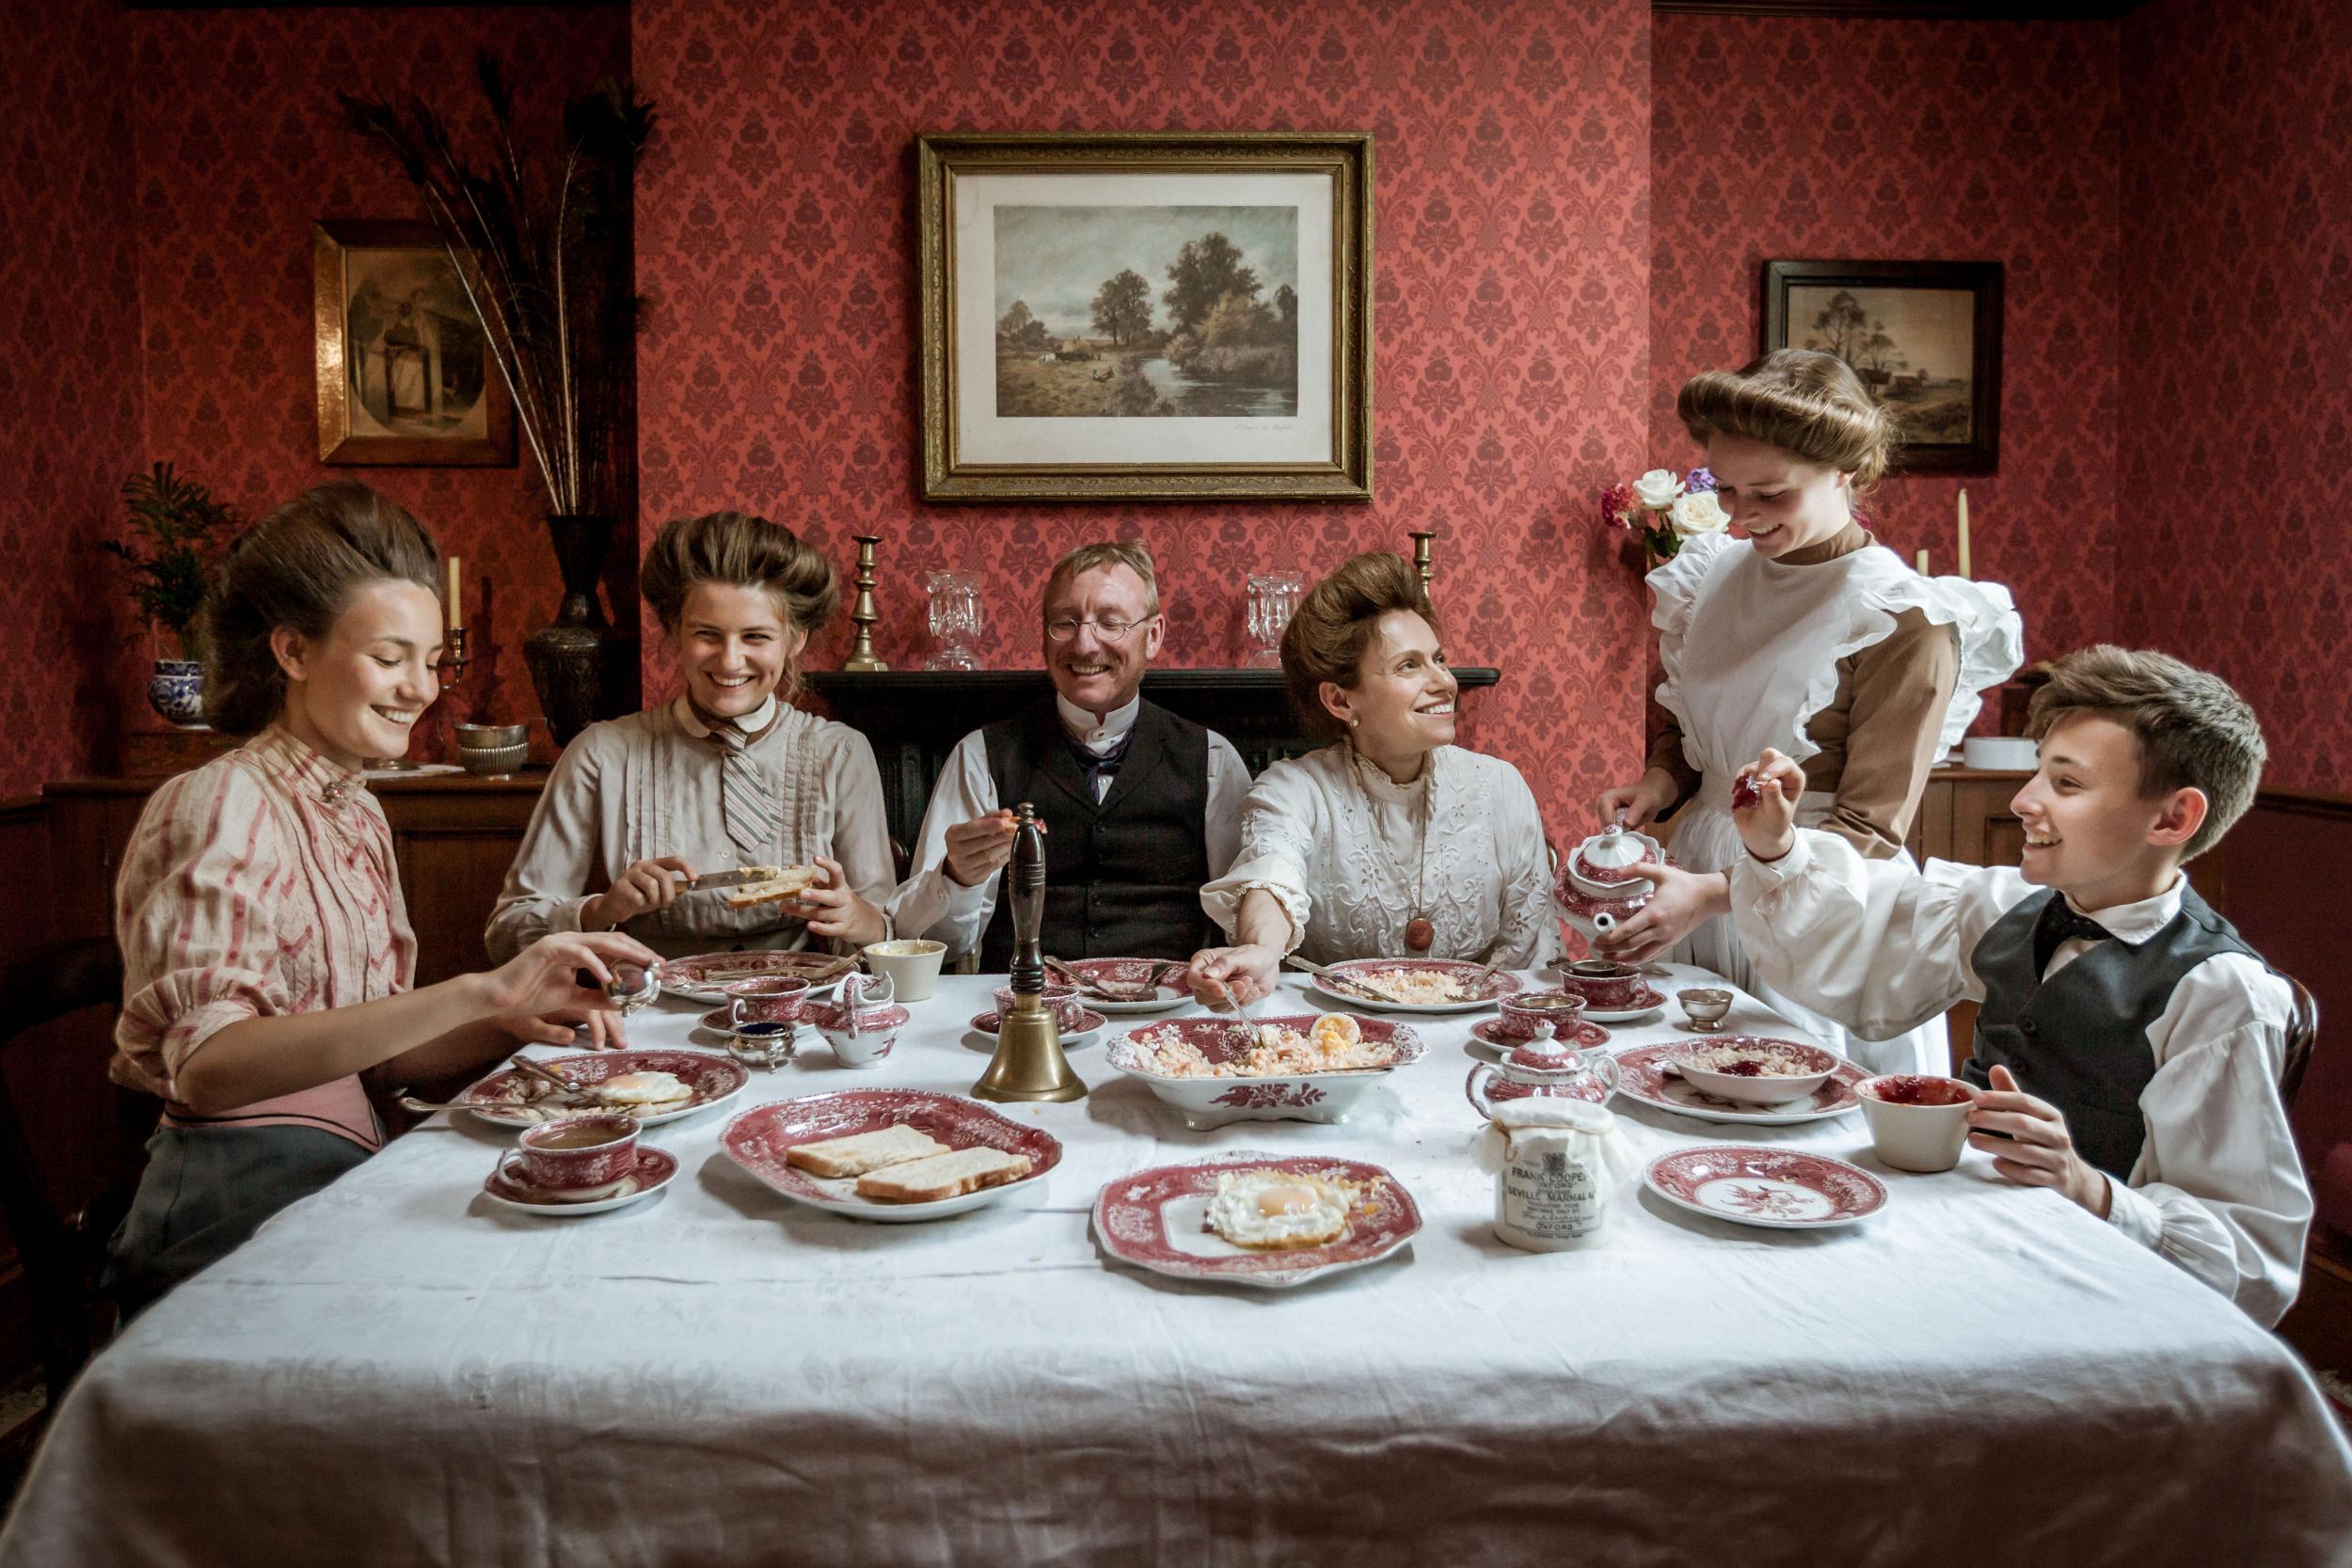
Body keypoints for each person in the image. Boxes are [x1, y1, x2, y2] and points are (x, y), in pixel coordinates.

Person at [106, 483, 654, 1315]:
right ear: (292, 650)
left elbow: (378, 1053)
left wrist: (515, 1014)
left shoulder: (356, 809)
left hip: (342, 1174)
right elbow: (211, 1071)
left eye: (430, 662)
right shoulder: (217, 803)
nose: (420, 689)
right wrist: (480, 989)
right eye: (389, 658)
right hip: (231, 1210)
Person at [1726, 646, 2308, 1325]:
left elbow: (2254, 1260)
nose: (2023, 799)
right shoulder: (2009, 905)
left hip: (2090, 1304)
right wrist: (1778, 847)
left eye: (2065, 784)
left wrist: (2089, 1188)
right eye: (2037, 772)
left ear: (2172, 818)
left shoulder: (2220, 992)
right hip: (1956, 1240)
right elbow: (1860, 934)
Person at [1594, 349, 2023, 1075]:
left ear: (1844, 473)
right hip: (1701, 880)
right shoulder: (1712, 578)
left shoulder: (1901, 615)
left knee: (1801, 1121)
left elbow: (1869, 831)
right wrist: (1661, 783)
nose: (1742, 515)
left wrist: (1716, 894)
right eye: (1727, 489)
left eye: (1770, 492)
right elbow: (1697, 731)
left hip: (1818, 910)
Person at [488, 512, 895, 988]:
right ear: (674, 630)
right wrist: (603, 909)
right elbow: (506, 935)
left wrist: (854, 915)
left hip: (796, 1009)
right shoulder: (601, 753)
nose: (729, 660)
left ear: (795, 640)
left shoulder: (841, 753)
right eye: (707, 634)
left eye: (756, 636)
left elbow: (886, 936)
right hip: (642, 1010)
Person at [1188, 551, 1561, 1004]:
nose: (1444, 681)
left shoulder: (1500, 788)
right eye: (1409, 665)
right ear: (1341, 701)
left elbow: (1529, 957)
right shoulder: (1294, 789)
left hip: (1475, 1039)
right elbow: (1270, 875)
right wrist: (1261, 949)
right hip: (1339, 1041)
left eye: (1439, 659)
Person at [891, 540, 1249, 965]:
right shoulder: (981, 755)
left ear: (1152, 636)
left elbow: (1245, 920)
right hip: (1028, 1010)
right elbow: (928, 943)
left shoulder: (1213, 758)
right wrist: (957, 878)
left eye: (1110, 623)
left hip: (1166, 1010)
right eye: (1065, 622)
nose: (1083, 644)